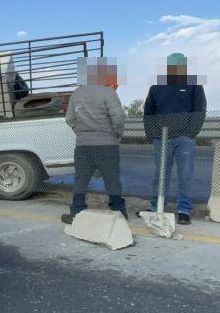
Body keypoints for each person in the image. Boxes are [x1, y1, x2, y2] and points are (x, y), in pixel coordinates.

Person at [139, 53, 207, 225]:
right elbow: (149, 112)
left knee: (185, 175)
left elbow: (199, 111)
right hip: (161, 139)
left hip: (184, 139)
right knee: (160, 175)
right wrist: (152, 134)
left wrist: (190, 133)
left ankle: (184, 210)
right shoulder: (157, 87)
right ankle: (156, 207)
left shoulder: (194, 85)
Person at [61, 58, 127, 224]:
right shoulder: (108, 92)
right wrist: (116, 134)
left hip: (83, 145)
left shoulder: (76, 93)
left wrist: (81, 132)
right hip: (107, 145)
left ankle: (76, 213)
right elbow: (118, 118)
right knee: (112, 179)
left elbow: (69, 119)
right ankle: (120, 213)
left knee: (81, 180)